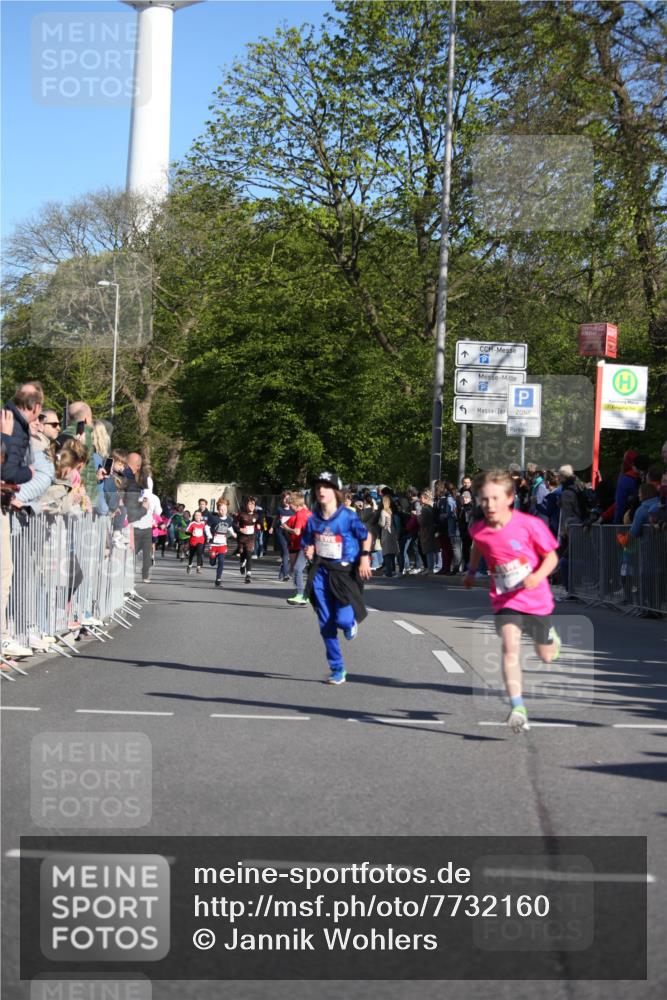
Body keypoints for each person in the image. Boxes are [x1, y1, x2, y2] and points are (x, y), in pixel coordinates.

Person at [464, 469, 561, 733]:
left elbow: (552, 557)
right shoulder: (480, 530)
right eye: (484, 499)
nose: (489, 505)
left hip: (536, 597)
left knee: (547, 656)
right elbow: (477, 547)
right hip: (506, 598)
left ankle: (550, 636)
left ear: (509, 498)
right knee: (510, 648)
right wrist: (472, 572)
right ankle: (517, 706)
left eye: (495, 498)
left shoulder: (529, 525)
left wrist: (537, 575)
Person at [302, 471, 372, 684]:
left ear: (336, 491)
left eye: (326, 486)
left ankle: (350, 623)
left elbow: (366, 535)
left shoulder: (347, 516)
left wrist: (365, 558)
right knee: (326, 623)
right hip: (321, 573)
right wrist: (309, 549)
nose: (321, 490)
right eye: (318, 487)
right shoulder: (313, 519)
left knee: (342, 619)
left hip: (344, 573)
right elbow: (308, 541)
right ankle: (337, 668)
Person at [285, 491, 312, 605]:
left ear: (296, 505)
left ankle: (300, 594)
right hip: (315, 544)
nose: (290, 507)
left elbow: (297, 531)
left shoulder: (300, 515)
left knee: (297, 568)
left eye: (290, 504)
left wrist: (286, 528)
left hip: (306, 545)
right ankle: (306, 596)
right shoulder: (308, 512)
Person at [208, 498, 236, 587]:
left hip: (223, 544)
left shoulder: (228, 519)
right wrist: (209, 536)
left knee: (221, 561)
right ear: (218, 510)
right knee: (212, 563)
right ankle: (212, 558)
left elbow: (230, 528)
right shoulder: (214, 518)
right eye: (221, 509)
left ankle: (218, 579)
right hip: (213, 543)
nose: (223, 511)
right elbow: (206, 527)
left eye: (225, 509)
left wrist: (233, 534)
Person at [235, 496, 262, 584]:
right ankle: (242, 564)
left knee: (249, 554)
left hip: (251, 537)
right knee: (242, 553)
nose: (251, 506)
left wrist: (259, 526)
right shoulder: (241, 514)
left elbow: (259, 523)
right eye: (249, 504)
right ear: (246, 505)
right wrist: (240, 529)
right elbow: (234, 524)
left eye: (253, 504)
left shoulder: (257, 515)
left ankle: (248, 575)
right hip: (242, 537)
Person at [269, 490, 292, 582]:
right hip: (280, 532)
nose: (286, 500)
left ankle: (281, 573)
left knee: (285, 554)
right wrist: (271, 527)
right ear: (282, 500)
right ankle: (286, 574)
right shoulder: (280, 509)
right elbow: (276, 518)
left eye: (288, 498)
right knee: (286, 552)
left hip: (290, 533)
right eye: (285, 498)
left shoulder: (293, 510)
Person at [378, 493, 400, 577]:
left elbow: (383, 524)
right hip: (392, 533)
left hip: (386, 533)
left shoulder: (383, 511)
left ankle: (388, 572)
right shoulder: (391, 511)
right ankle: (393, 570)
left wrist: (379, 522)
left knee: (386, 553)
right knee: (391, 553)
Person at [186, 509, 210, 574]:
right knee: (191, 555)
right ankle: (189, 565)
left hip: (201, 541)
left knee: (199, 553)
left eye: (199, 515)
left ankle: (198, 568)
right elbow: (186, 532)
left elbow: (207, 530)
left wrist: (209, 537)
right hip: (193, 541)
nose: (197, 517)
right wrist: (191, 533)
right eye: (196, 515)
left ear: (201, 516)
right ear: (194, 516)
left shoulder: (203, 523)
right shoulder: (192, 523)